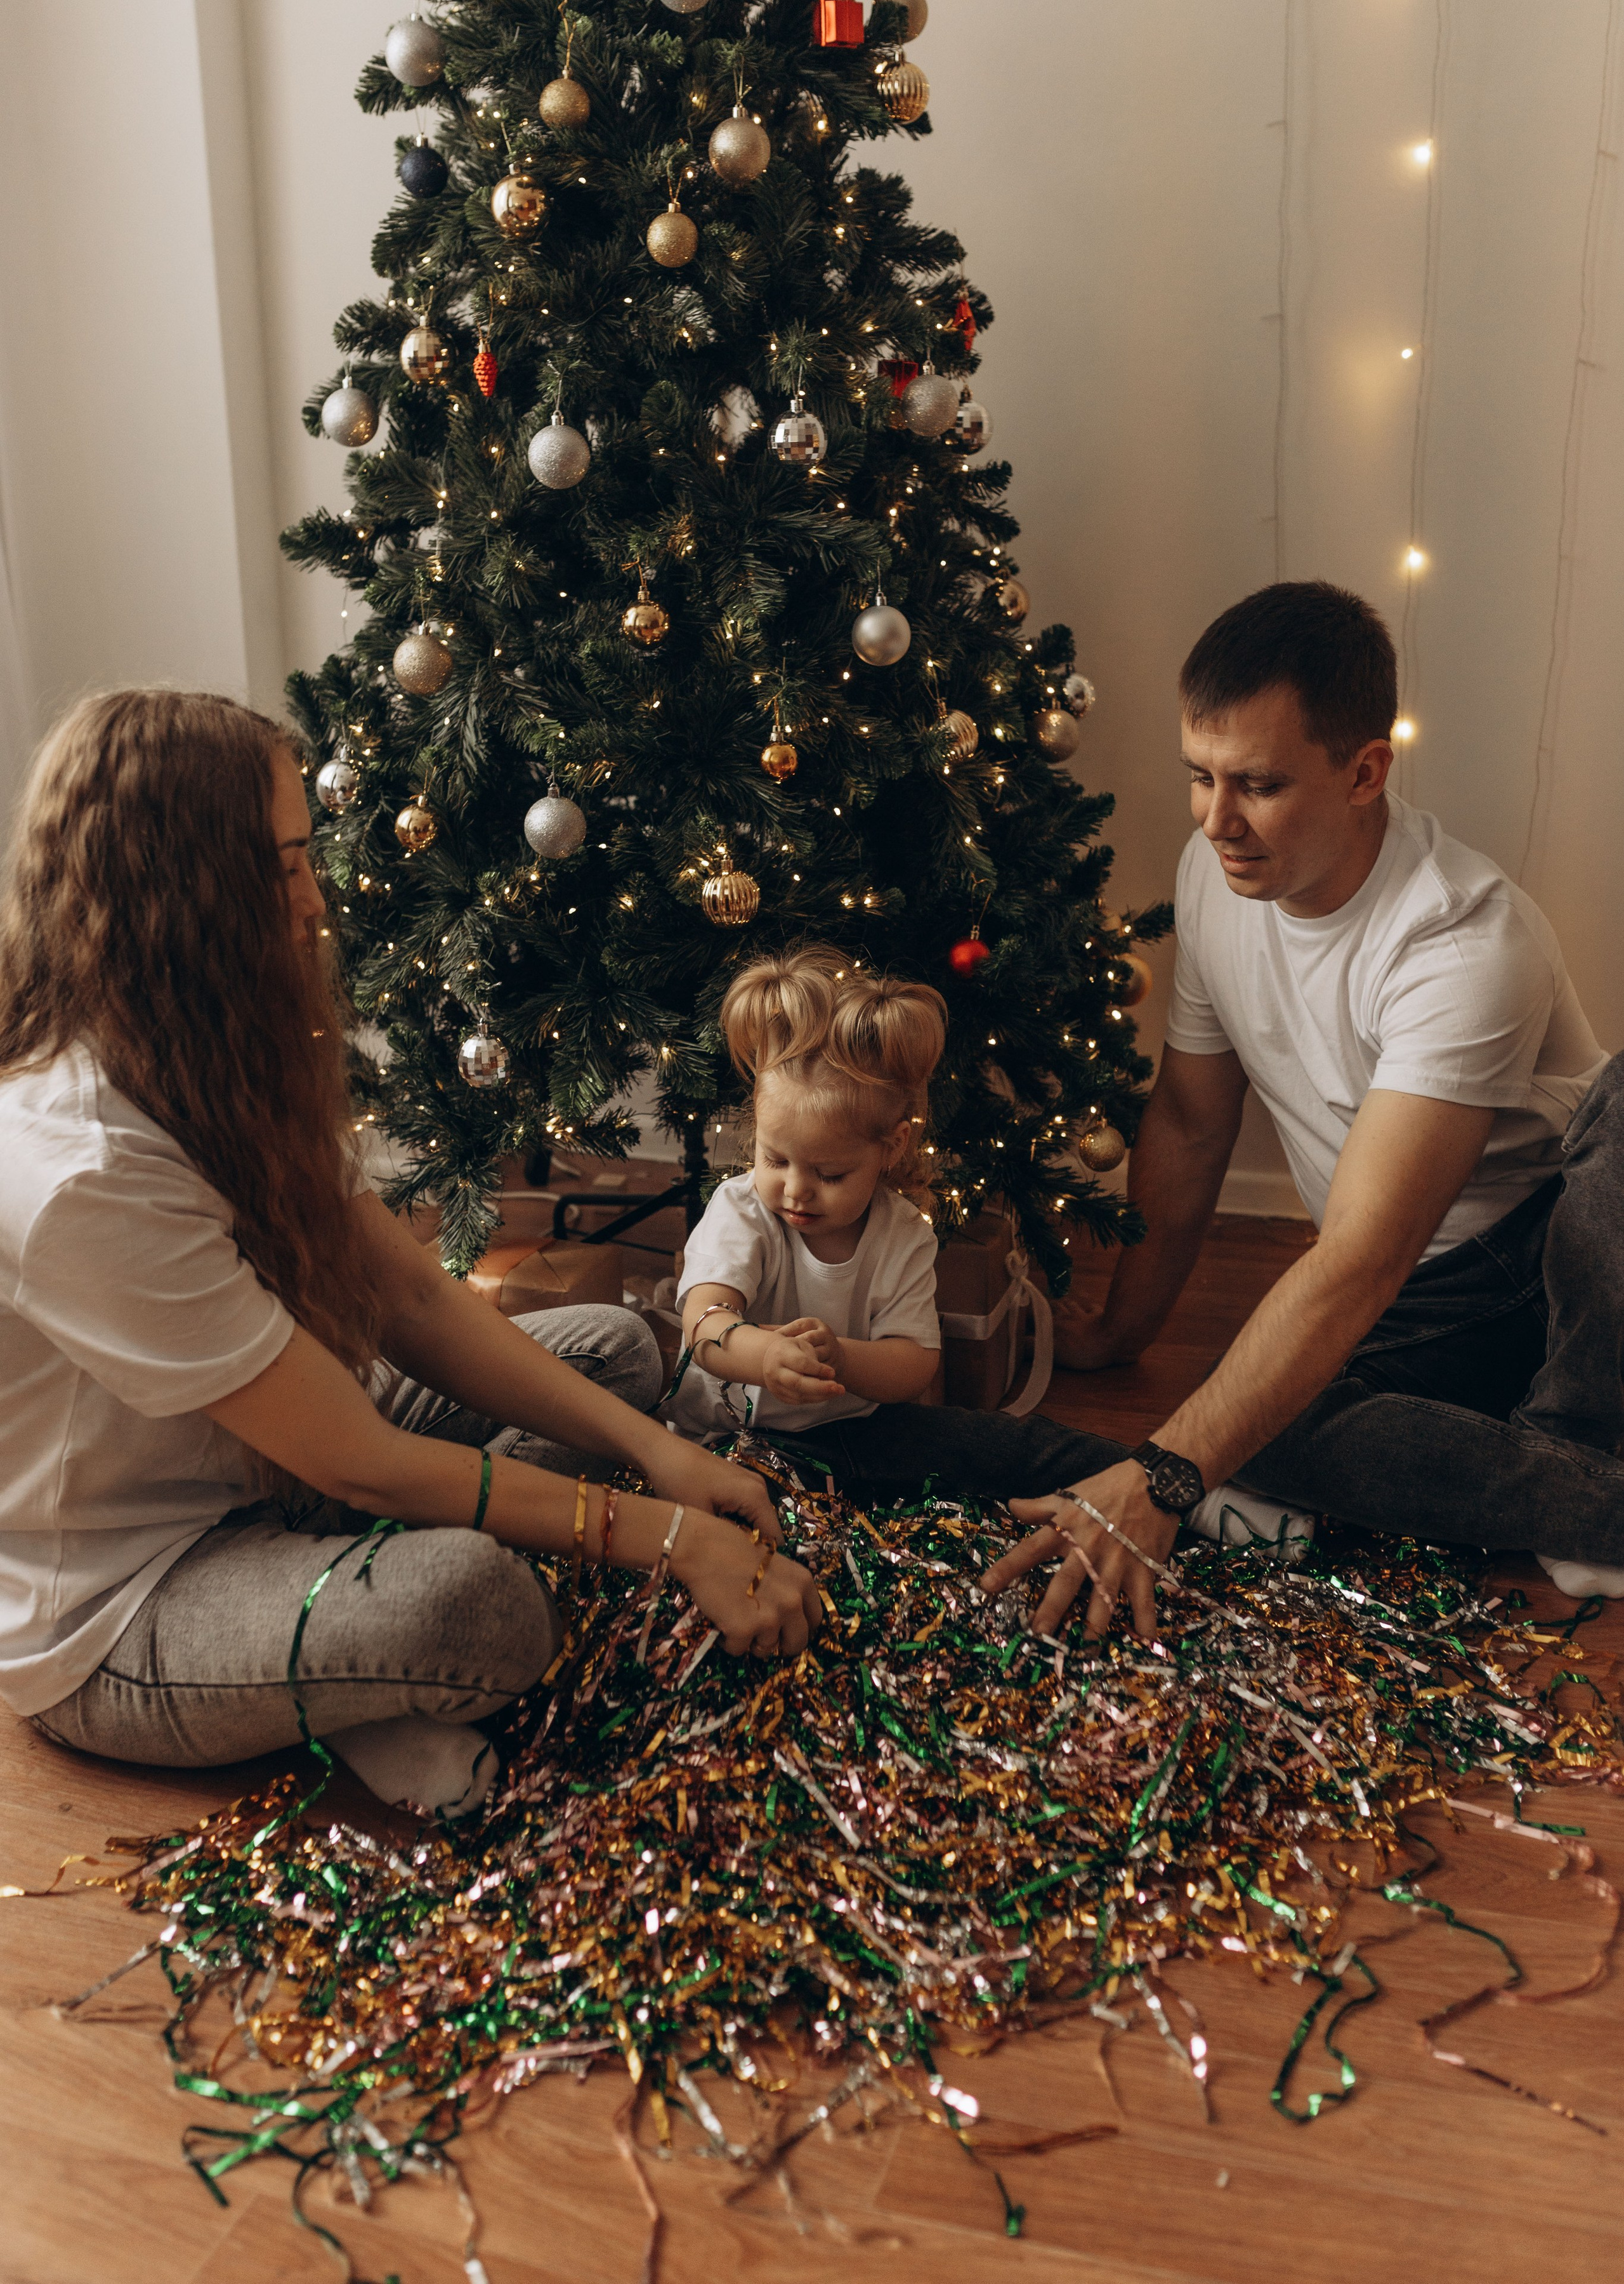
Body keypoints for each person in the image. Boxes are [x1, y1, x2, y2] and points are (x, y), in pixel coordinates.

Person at [0, 690, 819, 1816]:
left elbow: (410, 1300)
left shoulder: (197, 1058)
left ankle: (360, 1664)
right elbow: (362, 1464)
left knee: (619, 1351)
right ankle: (372, 1683)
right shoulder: (81, 1169)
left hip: (283, 1467)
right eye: (284, 865)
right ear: (191, 899)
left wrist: (657, 1454)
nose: (311, 901)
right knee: (481, 1608)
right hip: (133, 1606)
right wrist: (672, 1541)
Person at [983, 580, 1624, 1641]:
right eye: (1201, 777)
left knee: (1206, 1448)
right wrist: (1122, 1331)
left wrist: (1159, 1476)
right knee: (1260, 1432)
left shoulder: (1463, 940)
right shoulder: (1212, 874)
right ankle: (1585, 1495)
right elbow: (1192, 1122)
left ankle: (1571, 1443)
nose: (1216, 820)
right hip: (1417, 1308)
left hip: (1552, 1271)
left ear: (1365, 770)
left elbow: (1361, 1257)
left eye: (1259, 785)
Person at [672, 943, 1142, 1503]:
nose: (795, 1188)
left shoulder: (904, 1233)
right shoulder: (743, 1210)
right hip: (732, 1443)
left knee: (1016, 1446)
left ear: (891, 1148)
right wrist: (763, 1357)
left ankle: (1158, 1484)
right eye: (776, 1160)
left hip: (858, 1437)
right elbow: (704, 1324)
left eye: (830, 1172)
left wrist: (842, 1358)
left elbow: (914, 1363)